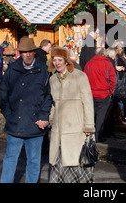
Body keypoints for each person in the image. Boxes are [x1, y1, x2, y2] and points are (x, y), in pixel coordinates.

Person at [0, 37, 52, 183]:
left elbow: (48, 97)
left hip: (35, 123)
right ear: (20, 53)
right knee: (10, 159)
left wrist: (43, 116)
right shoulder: (13, 69)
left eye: (30, 52)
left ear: (35, 52)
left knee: (34, 162)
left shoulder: (43, 71)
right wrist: (8, 114)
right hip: (15, 122)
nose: (27, 55)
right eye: (24, 52)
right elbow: (2, 92)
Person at [48, 47, 95, 183]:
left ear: (66, 61)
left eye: (60, 60)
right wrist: (50, 119)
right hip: (59, 132)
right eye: (54, 60)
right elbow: (53, 104)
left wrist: (89, 126)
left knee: (77, 166)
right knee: (58, 169)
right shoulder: (53, 80)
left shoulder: (80, 76)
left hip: (77, 130)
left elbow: (88, 102)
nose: (57, 63)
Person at [84, 47, 116, 142]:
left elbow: (84, 80)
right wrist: (110, 93)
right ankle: (98, 137)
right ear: (104, 54)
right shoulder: (108, 64)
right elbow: (113, 81)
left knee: (91, 116)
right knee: (100, 117)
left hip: (91, 94)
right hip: (103, 94)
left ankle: (91, 136)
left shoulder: (89, 64)